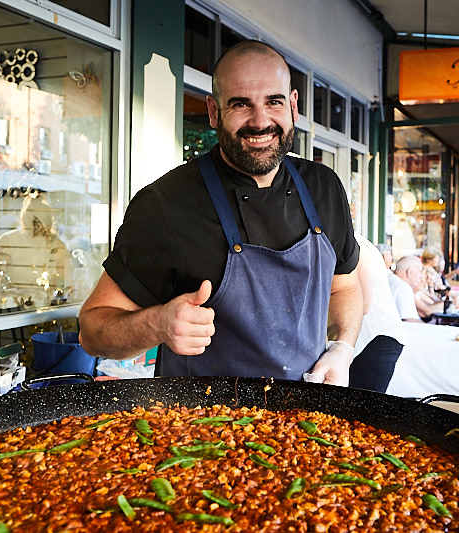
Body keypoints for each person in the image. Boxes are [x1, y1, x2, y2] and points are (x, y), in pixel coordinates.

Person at [78, 40, 362, 386]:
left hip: (305, 422)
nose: (260, 122)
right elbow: (93, 330)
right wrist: (158, 324)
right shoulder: (167, 204)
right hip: (201, 428)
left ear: (293, 105)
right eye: (240, 105)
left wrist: (342, 347)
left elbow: (343, 288)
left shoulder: (324, 188)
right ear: (213, 111)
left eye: (273, 102)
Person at [348, 233, 406, 393]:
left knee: (362, 410)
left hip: (376, 338)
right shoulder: (353, 242)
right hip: (373, 337)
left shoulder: (356, 246)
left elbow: (364, 305)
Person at [389, 256, 424, 322]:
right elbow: (410, 321)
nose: (421, 277)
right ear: (409, 273)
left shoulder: (392, 280)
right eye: (419, 271)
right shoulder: (403, 287)